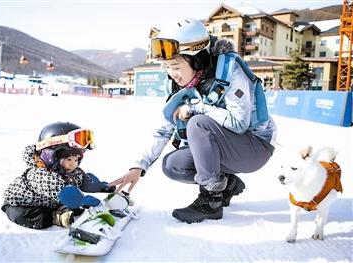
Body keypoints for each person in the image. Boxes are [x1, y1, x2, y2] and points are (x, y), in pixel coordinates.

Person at [110, 19, 277, 224]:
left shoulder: (230, 71)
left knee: (198, 123)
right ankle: (227, 184)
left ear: (197, 60)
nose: (172, 74)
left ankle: (211, 201)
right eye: (167, 67)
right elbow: (164, 129)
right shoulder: (179, 85)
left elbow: (239, 123)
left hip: (255, 146)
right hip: (229, 147)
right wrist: (138, 167)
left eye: (176, 66)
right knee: (173, 165)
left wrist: (197, 107)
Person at [1, 122, 114, 229]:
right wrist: (85, 201)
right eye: (69, 159)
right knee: (35, 217)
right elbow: (65, 193)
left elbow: (84, 181)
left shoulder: (69, 170)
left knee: (74, 204)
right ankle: (56, 217)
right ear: (51, 157)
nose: (73, 164)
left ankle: (61, 209)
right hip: (22, 206)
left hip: (49, 200)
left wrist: (102, 186)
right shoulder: (41, 176)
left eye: (76, 159)